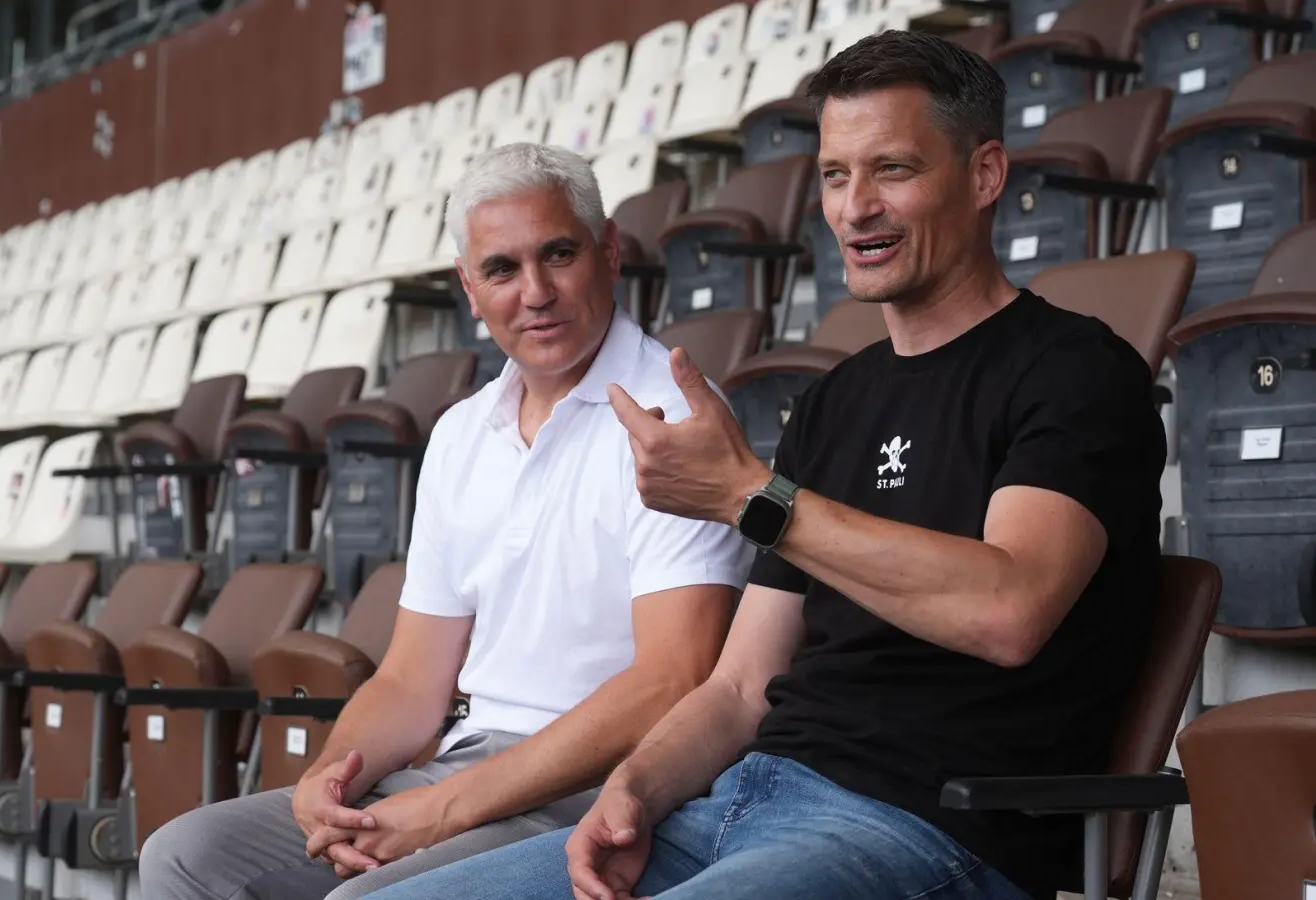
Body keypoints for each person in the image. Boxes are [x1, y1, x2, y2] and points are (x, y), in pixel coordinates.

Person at [364, 29, 1167, 900]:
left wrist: (755, 494)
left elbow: (1010, 609)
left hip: (927, 833)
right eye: (833, 174)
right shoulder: (835, 402)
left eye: (891, 170)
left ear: (984, 176)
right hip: (735, 807)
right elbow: (743, 684)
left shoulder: (1076, 370)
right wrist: (635, 789)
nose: (855, 207)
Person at [137, 142, 751, 900]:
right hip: (470, 764)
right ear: (469, 288)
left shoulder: (675, 416)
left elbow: (671, 681)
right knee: (187, 856)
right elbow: (410, 679)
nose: (535, 292)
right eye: (501, 269)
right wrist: (333, 775)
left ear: (610, 252)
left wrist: (441, 811)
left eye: (559, 254)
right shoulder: (462, 433)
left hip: (609, 785)